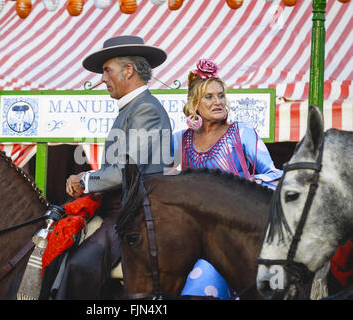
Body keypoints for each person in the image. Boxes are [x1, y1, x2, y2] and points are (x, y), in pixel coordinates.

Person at [44, 35, 172, 299]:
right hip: (119, 209)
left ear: (128, 70)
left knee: (80, 265)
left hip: (134, 213)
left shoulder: (145, 108)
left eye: (106, 70)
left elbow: (126, 169)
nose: (103, 78)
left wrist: (84, 180)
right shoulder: (133, 108)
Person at [175, 59, 282, 299]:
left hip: (238, 232)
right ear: (194, 105)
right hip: (196, 235)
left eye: (221, 95)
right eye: (209, 97)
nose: (218, 102)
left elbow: (276, 177)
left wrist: (241, 189)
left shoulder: (242, 132)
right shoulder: (180, 140)